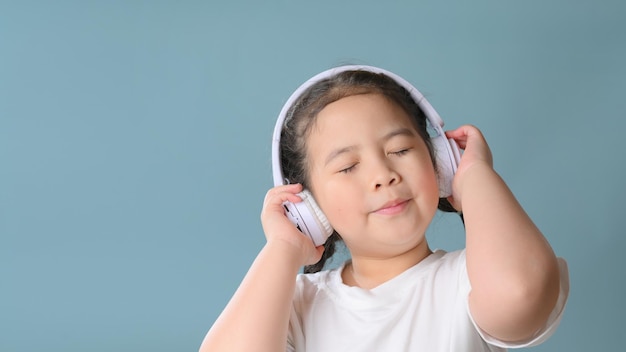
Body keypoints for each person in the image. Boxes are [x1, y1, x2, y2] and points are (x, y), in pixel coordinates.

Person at [199, 65, 569, 352]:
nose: (383, 175)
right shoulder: (294, 305)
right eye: (348, 167)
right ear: (309, 207)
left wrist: (474, 176)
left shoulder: (470, 281)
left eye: (400, 150)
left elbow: (521, 292)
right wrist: (281, 249)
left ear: (441, 163)